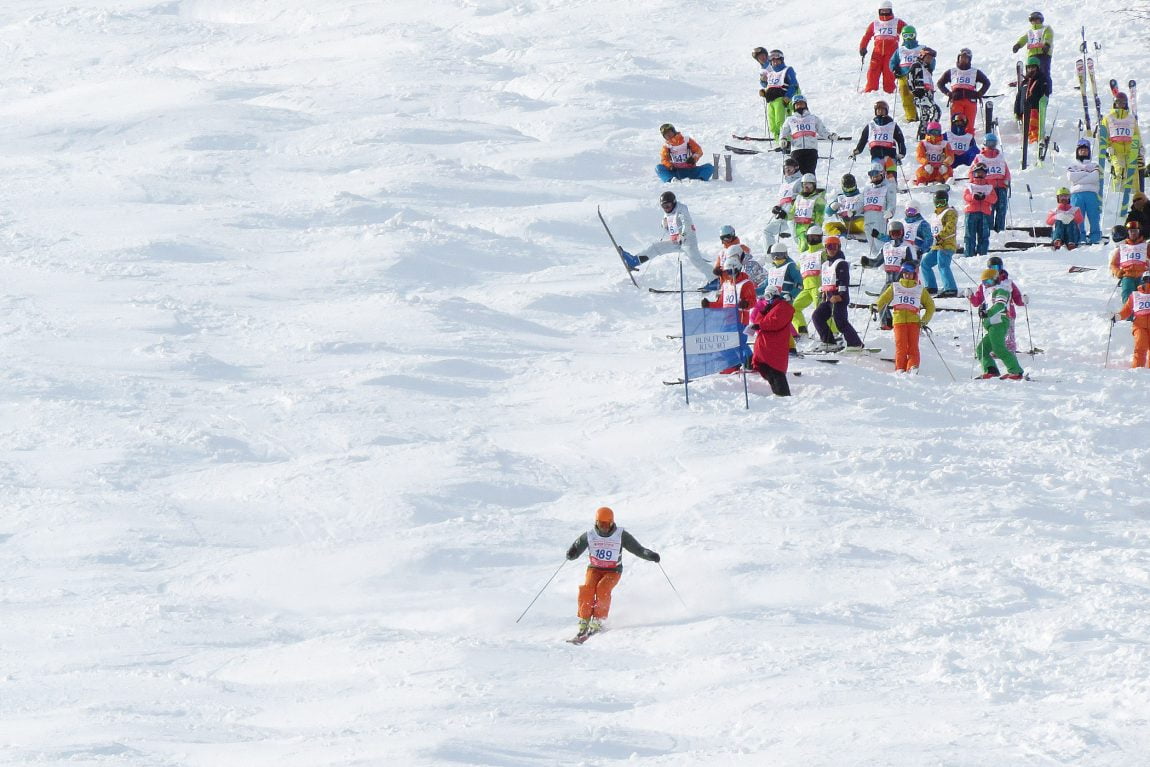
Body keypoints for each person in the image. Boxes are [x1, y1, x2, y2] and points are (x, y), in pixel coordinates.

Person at [565, 506, 659, 637]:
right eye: (601, 524)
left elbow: (638, 549)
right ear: (596, 522)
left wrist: (650, 555)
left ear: (612, 522)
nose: (604, 527)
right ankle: (584, 619)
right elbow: (576, 549)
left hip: (613, 571)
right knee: (588, 588)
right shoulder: (590, 535)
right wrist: (571, 553)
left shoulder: (621, 535)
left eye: (606, 524)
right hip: (595, 569)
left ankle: (598, 619)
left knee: (602, 589)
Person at [621, 191, 711, 279]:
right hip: (676, 242)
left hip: (688, 241)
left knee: (696, 261)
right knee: (656, 247)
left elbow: (686, 224)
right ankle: (634, 261)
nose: (666, 208)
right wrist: (664, 225)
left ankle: (715, 278)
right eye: (664, 206)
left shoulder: (681, 209)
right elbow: (671, 229)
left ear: (674, 202)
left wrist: (682, 235)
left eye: (668, 205)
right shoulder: (667, 213)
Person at [874, 261, 935, 372]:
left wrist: (924, 320)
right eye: (905, 273)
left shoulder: (919, 288)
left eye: (909, 273)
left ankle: (913, 367)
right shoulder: (895, 287)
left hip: (914, 322)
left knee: (913, 347)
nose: (907, 275)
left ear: (913, 274)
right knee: (900, 347)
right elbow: (883, 299)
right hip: (899, 321)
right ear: (902, 273)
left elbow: (930, 306)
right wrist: (875, 306)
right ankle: (900, 368)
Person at [811, 239, 865, 351]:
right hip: (828, 298)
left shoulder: (841, 263)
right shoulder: (826, 264)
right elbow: (826, 281)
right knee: (817, 316)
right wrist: (823, 293)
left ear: (839, 247)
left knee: (840, 321)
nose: (831, 250)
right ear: (825, 248)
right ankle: (829, 342)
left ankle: (855, 344)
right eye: (829, 247)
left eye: (834, 247)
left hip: (839, 298)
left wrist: (840, 295)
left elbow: (844, 281)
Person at [865, 220, 917, 329]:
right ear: (889, 234)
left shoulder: (906, 247)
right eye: (893, 233)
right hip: (888, 281)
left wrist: (907, 264)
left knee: (903, 305)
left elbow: (914, 264)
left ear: (902, 233)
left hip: (902, 282)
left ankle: (909, 324)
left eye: (898, 233)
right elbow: (877, 262)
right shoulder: (886, 246)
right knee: (881, 301)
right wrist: (867, 262)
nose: (895, 236)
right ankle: (887, 323)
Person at [967, 256, 1026, 353]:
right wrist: (970, 296)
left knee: (1008, 333)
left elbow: (1017, 298)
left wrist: (1023, 300)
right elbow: (977, 301)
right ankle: (994, 349)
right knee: (994, 333)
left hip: (1008, 313)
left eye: (997, 267)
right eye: (992, 268)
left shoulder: (1008, 283)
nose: (995, 270)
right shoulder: (985, 284)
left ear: (1001, 267)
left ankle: (1009, 350)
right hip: (991, 313)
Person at [974, 269, 1025, 379]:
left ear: (995, 279)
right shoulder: (989, 293)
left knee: (999, 348)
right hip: (992, 325)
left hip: (999, 322)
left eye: (988, 282)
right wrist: (983, 311)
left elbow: (1000, 305)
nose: (985, 285)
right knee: (981, 349)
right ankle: (990, 370)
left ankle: (1016, 371)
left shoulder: (1002, 291)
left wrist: (987, 313)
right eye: (984, 283)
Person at [1100, 92, 1143, 219]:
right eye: (1118, 102)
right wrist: (1107, 147)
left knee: (1133, 176)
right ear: (1114, 102)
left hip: (1131, 151)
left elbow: (1136, 134)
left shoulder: (1130, 118)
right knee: (1119, 173)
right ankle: (1117, 206)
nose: (1121, 105)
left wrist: (1139, 147)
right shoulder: (1108, 118)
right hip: (1116, 151)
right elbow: (1104, 134)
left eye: (1123, 103)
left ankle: (1132, 206)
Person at [749, 286, 796, 395]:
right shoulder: (771, 308)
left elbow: (775, 323)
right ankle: (779, 395)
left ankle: (784, 396)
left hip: (774, 349)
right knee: (767, 370)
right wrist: (763, 313)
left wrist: (760, 325)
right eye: (765, 297)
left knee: (776, 372)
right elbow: (758, 321)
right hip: (766, 349)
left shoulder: (783, 307)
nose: (767, 299)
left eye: (768, 296)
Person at [779, 94, 837, 174]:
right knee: (796, 174)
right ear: (793, 106)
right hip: (797, 150)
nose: (799, 106)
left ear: (806, 105)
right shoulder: (790, 119)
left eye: (802, 104)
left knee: (809, 173)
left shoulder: (813, 118)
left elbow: (822, 130)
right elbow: (783, 131)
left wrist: (830, 136)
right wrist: (783, 139)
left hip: (811, 150)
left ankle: (811, 186)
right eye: (797, 104)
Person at [936, 48, 991, 129]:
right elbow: (940, 83)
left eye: (966, 58)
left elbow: (987, 83)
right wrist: (948, 93)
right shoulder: (952, 72)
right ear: (958, 58)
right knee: (956, 125)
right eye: (962, 57)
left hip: (970, 101)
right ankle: (955, 140)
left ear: (969, 59)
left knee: (969, 125)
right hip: (956, 101)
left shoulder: (975, 72)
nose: (963, 59)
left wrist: (980, 93)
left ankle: (969, 140)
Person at [859, 0, 906, 94]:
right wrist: (863, 47)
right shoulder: (875, 23)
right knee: (873, 72)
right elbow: (867, 36)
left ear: (891, 10)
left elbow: (908, 32)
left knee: (889, 72)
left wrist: (907, 45)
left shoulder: (897, 22)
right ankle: (870, 90)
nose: (884, 12)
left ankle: (890, 91)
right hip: (877, 53)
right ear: (879, 11)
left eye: (887, 10)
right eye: (882, 10)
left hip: (891, 53)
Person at [922, 187, 959, 297]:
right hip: (936, 245)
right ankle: (931, 286)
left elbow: (950, 226)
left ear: (946, 201)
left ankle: (950, 288)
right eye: (937, 203)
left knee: (943, 264)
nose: (939, 205)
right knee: (925, 263)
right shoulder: (935, 215)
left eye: (942, 203)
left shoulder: (950, 212)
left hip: (947, 244)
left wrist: (941, 236)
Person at [1067, 138, 1103, 245]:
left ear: (1089, 152)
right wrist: (1086, 173)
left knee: (1094, 216)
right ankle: (1080, 236)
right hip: (1076, 195)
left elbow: (1095, 177)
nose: (1083, 151)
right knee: (1078, 217)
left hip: (1091, 194)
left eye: (1085, 150)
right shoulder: (1072, 165)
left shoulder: (1094, 165)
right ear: (1077, 151)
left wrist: (1080, 177)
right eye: (1081, 149)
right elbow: (1071, 177)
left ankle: (1095, 237)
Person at [973, 133, 1012, 232]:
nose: (991, 146)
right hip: (988, 187)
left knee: (1002, 207)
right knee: (989, 207)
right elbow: (972, 171)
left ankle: (1000, 228)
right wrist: (976, 182)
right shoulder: (980, 158)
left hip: (1001, 186)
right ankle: (989, 228)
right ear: (985, 143)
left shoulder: (1000, 157)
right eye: (989, 143)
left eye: (993, 143)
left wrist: (1007, 179)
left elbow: (1006, 170)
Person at [760, 49, 800, 141]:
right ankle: (778, 141)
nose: (775, 62)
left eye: (777, 59)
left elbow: (793, 84)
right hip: (770, 101)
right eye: (772, 60)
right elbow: (768, 86)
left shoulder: (787, 70)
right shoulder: (770, 73)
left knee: (780, 122)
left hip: (781, 100)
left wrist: (788, 96)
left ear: (781, 59)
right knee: (772, 124)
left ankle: (787, 141)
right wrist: (764, 91)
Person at [764, 156, 803, 248]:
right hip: (783, 216)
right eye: (785, 169)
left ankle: (808, 255)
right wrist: (777, 208)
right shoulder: (784, 184)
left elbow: (802, 199)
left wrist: (788, 211)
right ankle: (771, 257)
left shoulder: (800, 181)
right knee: (767, 231)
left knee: (798, 239)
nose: (787, 171)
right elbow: (783, 201)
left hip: (794, 217)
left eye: (790, 168)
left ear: (796, 168)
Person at [851, 100, 907, 165]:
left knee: (891, 174)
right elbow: (863, 139)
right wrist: (858, 150)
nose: (880, 111)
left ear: (886, 111)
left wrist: (901, 152)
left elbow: (900, 139)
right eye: (878, 110)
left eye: (882, 110)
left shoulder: (892, 125)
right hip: (876, 155)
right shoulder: (871, 125)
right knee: (875, 174)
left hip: (890, 155)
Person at [1012, 10, 1054, 96]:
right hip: (1032, 55)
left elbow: (1048, 36)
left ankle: (1046, 89)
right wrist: (1018, 45)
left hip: (1043, 54)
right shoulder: (1030, 32)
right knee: (1031, 73)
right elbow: (1023, 39)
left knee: (1044, 71)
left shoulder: (1045, 28)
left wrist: (1046, 45)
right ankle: (1031, 88)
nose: (1034, 21)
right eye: (1032, 20)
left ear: (1041, 20)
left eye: (1036, 19)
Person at [1113, 274, 1150, 368]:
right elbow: (1127, 309)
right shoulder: (1135, 295)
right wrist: (1118, 316)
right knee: (1140, 347)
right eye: (1147, 279)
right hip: (1139, 326)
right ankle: (1137, 371)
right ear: (1143, 281)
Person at [1109, 219, 1149, 305]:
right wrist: (1118, 272)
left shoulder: (1145, 246)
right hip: (1128, 276)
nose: (1133, 233)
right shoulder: (1123, 247)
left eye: (1135, 231)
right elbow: (1113, 264)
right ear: (1128, 232)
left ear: (1139, 232)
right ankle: (1129, 316)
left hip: (1142, 276)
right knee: (1127, 298)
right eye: (1131, 231)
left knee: (1143, 298)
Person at [792, 233, 825, 335]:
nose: (813, 239)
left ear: (820, 237)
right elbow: (797, 268)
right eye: (810, 236)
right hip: (806, 288)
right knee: (793, 308)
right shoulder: (804, 255)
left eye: (815, 236)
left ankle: (833, 333)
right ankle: (802, 330)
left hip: (818, 287)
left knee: (821, 311)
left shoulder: (823, 252)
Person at [889, 25, 924, 121]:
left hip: (918, 76)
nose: (908, 38)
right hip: (903, 76)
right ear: (903, 37)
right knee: (906, 97)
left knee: (920, 95)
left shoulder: (921, 48)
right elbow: (892, 61)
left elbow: (931, 59)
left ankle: (924, 114)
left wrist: (929, 67)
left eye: (911, 35)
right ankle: (911, 117)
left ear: (915, 36)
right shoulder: (900, 50)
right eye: (906, 35)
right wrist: (894, 69)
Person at [861, 164, 897, 253]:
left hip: (880, 217)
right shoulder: (867, 188)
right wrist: (854, 211)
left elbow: (891, 201)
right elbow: (861, 202)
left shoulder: (888, 186)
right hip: (867, 217)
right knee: (871, 243)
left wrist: (890, 211)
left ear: (882, 174)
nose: (875, 179)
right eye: (872, 177)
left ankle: (883, 259)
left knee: (879, 241)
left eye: (877, 176)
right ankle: (874, 259)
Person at [963, 162, 997, 258]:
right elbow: (966, 196)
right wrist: (974, 197)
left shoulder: (989, 187)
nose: (980, 175)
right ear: (974, 173)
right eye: (978, 173)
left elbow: (994, 199)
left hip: (984, 213)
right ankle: (969, 254)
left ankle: (982, 254)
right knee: (970, 235)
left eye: (982, 173)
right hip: (971, 212)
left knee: (984, 235)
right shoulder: (970, 185)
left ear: (986, 174)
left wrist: (985, 197)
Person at [906, 46, 939, 134]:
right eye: (928, 57)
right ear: (922, 56)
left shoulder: (927, 69)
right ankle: (932, 132)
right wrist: (915, 92)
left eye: (931, 58)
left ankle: (923, 135)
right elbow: (909, 79)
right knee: (936, 112)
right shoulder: (917, 65)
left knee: (925, 117)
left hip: (928, 95)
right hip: (922, 96)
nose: (929, 60)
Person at [1018, 57, 1050, 148]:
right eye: (1029, 67)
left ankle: (1034, 143)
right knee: (1026, 128)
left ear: (1037, 68)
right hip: (1025, 110)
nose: (1031, 69)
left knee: (1033, 128)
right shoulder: (1024, 82)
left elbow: (1045, 92)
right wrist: (1017, 111)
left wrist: (1044, 101)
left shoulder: (1041, 79)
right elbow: (1019, 97)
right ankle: (1028, 143)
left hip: (1034, 108)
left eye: (1033, 67)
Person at [789, 174, 826, 252]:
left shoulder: (818, 199)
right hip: (800, 231)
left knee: (810, 251)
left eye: (809, 184)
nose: (806, 187)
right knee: (803, 252)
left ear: (814, 185)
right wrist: (783, 214)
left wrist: (815, 232)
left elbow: (820, 217)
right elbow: (792, 213)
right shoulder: (799, 198)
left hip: (811, 231)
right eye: (804, 184)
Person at [824, 173, 866, 240]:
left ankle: (869, 236)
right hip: (844, 224)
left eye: (852, 188)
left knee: (867, 225)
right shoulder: (840, 197)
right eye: (847, 189)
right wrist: (832, 207)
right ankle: (840, 235)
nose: (850, 191)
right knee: (828, 226)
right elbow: (828, 212)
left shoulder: (861, 196)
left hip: (858, 222)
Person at [914, 121, 954, 185]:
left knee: (948, 170)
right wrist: (926, 163)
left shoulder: (945, 144)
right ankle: (921, 182)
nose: (934, 134)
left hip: (940, 168)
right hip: (929, 167)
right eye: (932, 132)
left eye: (936, 132)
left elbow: (950, 156)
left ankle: (948, 182)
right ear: (928, 132)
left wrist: (945, 164)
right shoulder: (923, 143)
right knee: (920, 171)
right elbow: (920, 156)